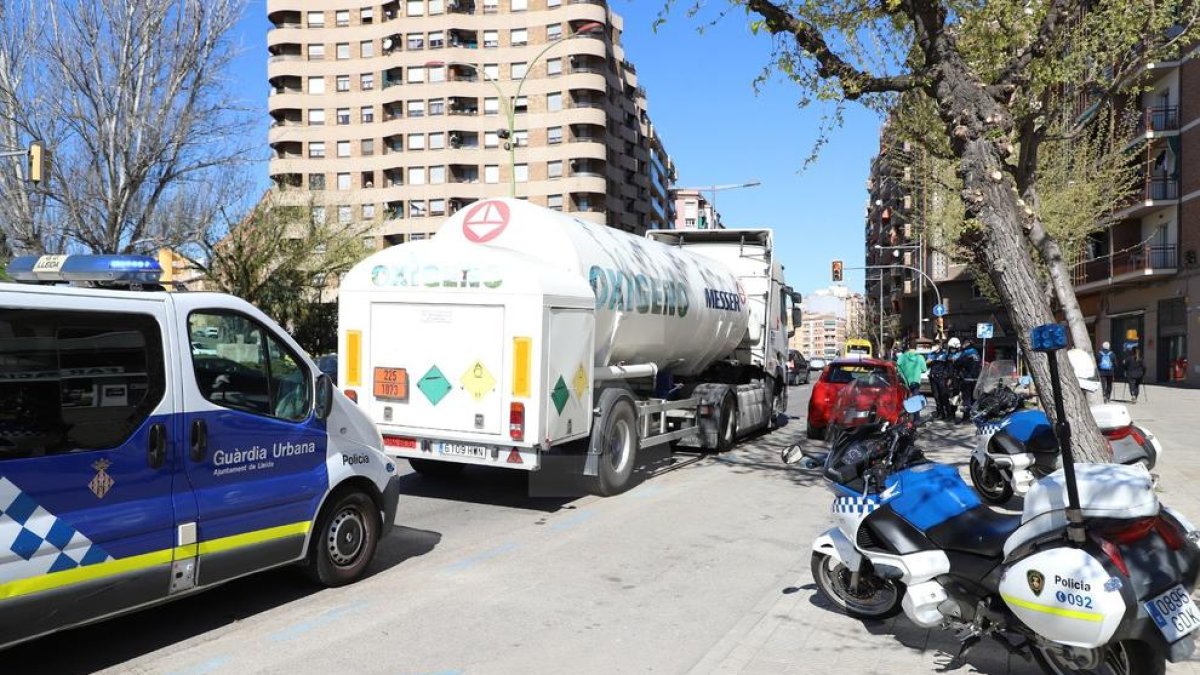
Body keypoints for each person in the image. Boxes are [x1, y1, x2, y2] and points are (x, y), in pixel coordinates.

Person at [896, 343, 928, 420]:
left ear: (908, 347)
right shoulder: (920, 357)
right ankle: (917, 419)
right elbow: (924, 369)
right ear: (916, 348)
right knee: (916, 400)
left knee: (904, 400)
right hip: (915, 382)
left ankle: (904, 419)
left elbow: (897, 367)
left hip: (904, 382)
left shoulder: (902, 357)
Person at [955, 338, 982, 423]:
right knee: (974, 399)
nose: (963, 345)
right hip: (976, 379)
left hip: (967, 379)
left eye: (964, 343)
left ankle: (967, 418)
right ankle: (974, 417)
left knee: (966, 400)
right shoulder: (976, 352)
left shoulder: (966, 353)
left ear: (967, 344)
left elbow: (957, 363)